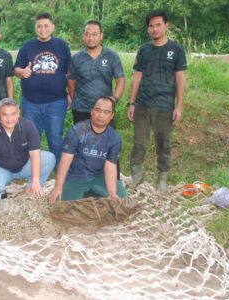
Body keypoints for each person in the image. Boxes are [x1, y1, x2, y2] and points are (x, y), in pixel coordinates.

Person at [127, 11, 187, 192]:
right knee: (139, 143)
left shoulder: (176, 50)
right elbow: (137, 77)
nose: (154, 29)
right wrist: (131, 103)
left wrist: (178, 106)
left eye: (158, 25)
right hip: (143, 104)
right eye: (151, 26)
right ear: (148, 29)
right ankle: (137, 175)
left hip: (164, 106)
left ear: (166, 25)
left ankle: (162, 178)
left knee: (163, 143)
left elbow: (180, 79)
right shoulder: (144, 50)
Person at [0, 98, 55, 208]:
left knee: (50, 158)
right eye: (4, 115)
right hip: (2, 169)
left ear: (18, 113)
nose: (9, 119)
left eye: (13, 114)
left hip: (24, 164)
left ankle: (31, 187)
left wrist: (35, 180)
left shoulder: (28, 126)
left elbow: (35, 154)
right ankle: (0, 195)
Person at [14, 13, 71, 166]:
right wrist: (22, 72)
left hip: (57, 101)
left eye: (46, 25)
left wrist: (70, 94)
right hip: (30, 102)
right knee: (32, 137)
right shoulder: (28, 46)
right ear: (35, 28)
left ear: (52, 27)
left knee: (55, 137)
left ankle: (59, 168)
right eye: (39, 26)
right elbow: (16, 69)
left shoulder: (62, 45)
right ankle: (32, 167)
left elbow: (69, 72)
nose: (43, 29)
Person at [48, 97, 127, 202]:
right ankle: (90, 193)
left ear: (112, 116)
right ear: (91, 111)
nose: (101, 115)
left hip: (99, 176)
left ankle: (94, 192)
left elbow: (110, 166)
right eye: (97, 110)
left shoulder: (114, 138)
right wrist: (58, 186)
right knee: (61, 203)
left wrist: (112, 193)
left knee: (121, 198)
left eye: (106, 112)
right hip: (76, 177)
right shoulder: (77, 130)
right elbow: (65, 160)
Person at [68, 20, 125, 124]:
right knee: (82, 139)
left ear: (101, 35)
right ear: (83, 36)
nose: (91, 38)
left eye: (95, 34)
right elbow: (71, 84)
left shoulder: (112, 56)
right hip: (81, 110)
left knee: (106, 139)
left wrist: (114, 99)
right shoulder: (76, 58)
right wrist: (77, 101)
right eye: (87, 34)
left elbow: (120, 81)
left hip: (105, 110)